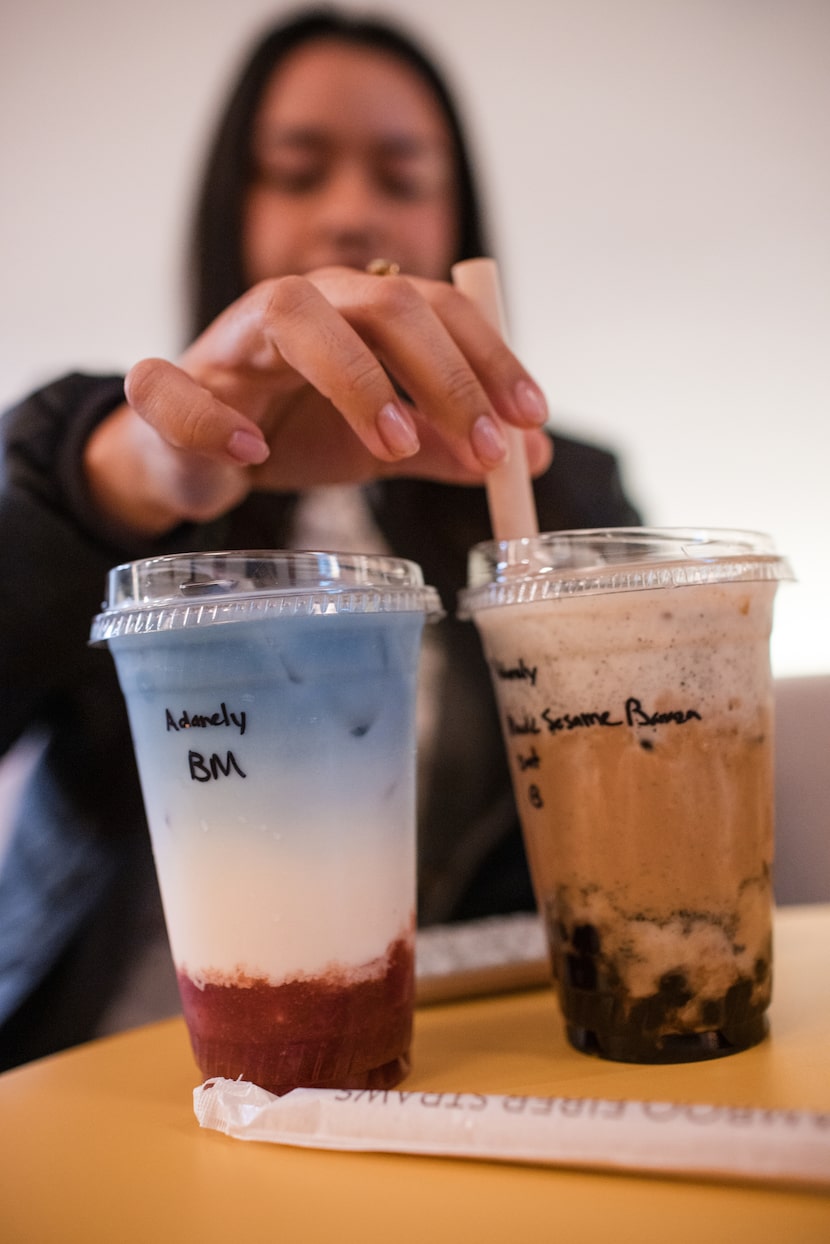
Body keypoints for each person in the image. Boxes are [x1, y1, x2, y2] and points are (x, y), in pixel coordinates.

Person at [0, 6, 641, 1071]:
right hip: (99, 1062)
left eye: (401, 176)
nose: (352, 213)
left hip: (424, 1058)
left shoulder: (560, 486)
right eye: (297, 172)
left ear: (456, 213)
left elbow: (615, 811)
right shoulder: (91, 445)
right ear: (227, 209)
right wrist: (125, 485)